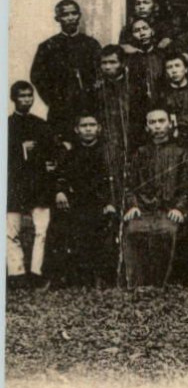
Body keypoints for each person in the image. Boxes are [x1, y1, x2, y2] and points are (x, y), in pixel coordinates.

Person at [46, 113, 120, 287]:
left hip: (100, 203)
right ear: (76, 130)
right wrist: (60, 192)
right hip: (76, 202)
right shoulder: (70, 154)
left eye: (92, 125)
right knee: (60, 225)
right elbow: (60, 176)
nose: (88, 129)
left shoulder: (108, 153)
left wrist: (110, 202)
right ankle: (63, 276)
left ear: (99, 128)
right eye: (84, 125)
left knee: (103, 226)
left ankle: (101, 276)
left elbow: (114, 182)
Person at [121, 108, 188, 287]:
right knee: (134, 230)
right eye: (153, 122)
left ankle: (163, 283)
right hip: (144, 209)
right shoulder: (140, 154)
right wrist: (133, 205)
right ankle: (139, 284)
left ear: (170, 124)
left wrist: (179, 208)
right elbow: (130, 186)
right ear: (146, 127)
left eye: (161, 121)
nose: (157, 126)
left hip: (168, 210)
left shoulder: (181, 153)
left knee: (167, 231)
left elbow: (187, 188)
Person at [31, 0, 102, 136]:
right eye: (65, 14)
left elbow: (101, 73)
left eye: (73, 13)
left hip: (88, 108)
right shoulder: (47, 46)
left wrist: (92, 95)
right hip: (60, 110)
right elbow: (37, 76)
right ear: (57, 18)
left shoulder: (91, 45)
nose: (70, 18)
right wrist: (53, 99)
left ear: (79, 16)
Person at [8, 83, 54, 286]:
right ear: (14, 98)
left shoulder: (41, 124)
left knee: (41, 229)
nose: (27, 99)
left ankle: (37, 272)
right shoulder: (7, 124)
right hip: (14, 183)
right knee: (11, 230)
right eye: (22, 96)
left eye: (29, 96)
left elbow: (50, 150)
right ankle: (16, 273)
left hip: (38, 183)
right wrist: (21, 148)